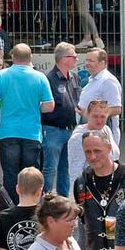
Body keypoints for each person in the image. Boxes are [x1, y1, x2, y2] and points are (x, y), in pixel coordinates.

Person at [0, 44, 54, 197]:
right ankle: (29, 209)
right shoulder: (40, 77)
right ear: (30, 58)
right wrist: (36, 107)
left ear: (13, 58)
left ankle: (12, 209)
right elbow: (49, 106)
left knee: (10, 176)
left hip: (7, 132)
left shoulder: (2, 75)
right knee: (30, 176)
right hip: (32, 133)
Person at [42, 42, 81, 198]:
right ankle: (46, 199)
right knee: (50, 168)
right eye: (74, 56)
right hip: (53, 130)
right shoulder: (49, 79)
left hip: (71, 129)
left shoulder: (74, 77)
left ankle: (64, 199)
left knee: (66, 167)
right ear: (64, 58)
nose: (76, 59)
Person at [77, 48, 123, 144]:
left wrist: (89, 115)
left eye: (91, 61)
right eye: (86, 60)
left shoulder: (108, 81)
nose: (87, 63)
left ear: (102, 63)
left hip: (102, 137)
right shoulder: (92, 79)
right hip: (90, 132)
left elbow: (117, 109)